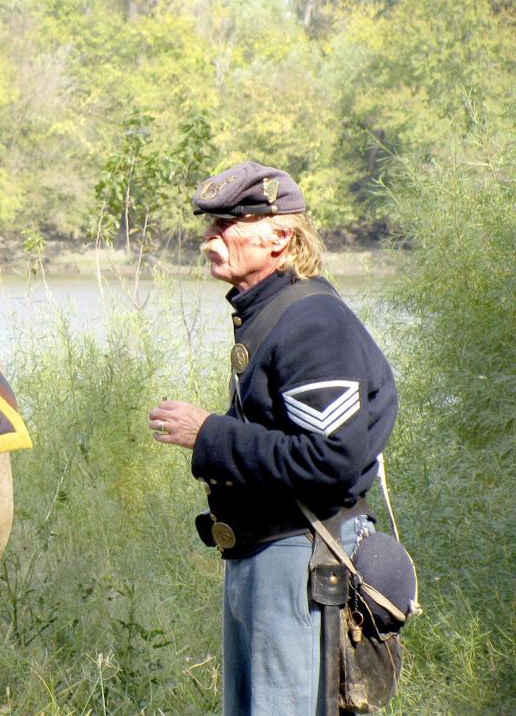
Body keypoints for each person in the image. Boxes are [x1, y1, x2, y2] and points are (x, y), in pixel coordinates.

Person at [148, 161, 398, 715]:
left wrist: (209, 434)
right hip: (269, 551)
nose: (210, 239)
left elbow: (330, 459)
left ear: (280, 236)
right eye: (209, 226)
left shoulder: (311, 322)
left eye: (228, 224)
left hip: (299, 555)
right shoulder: (270, 312)